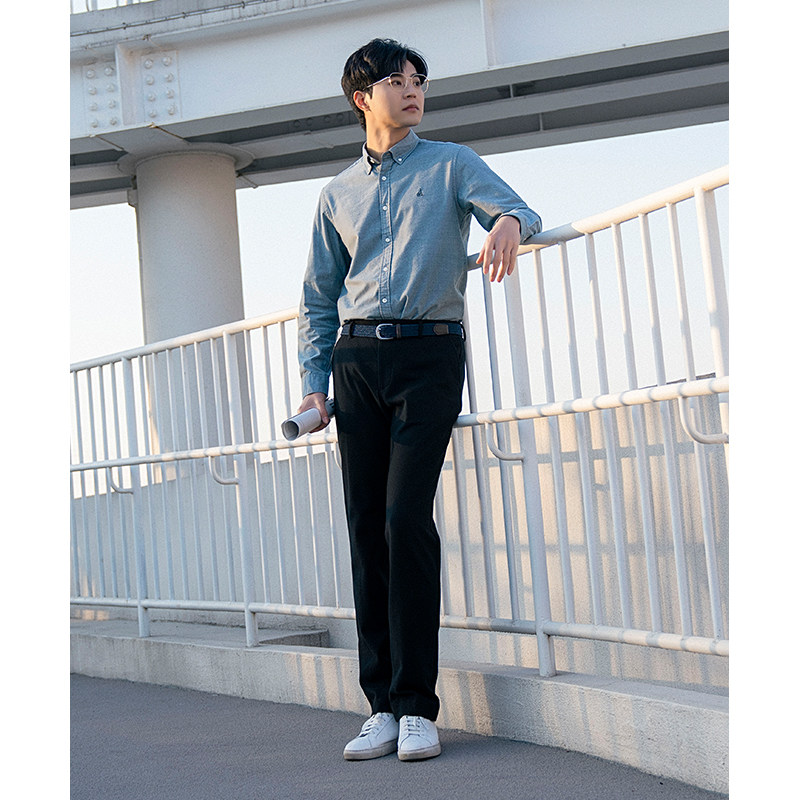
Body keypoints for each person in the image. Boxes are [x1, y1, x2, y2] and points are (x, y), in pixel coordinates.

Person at [295, 38, 541, 761]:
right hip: (356, 360)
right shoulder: (336, 193)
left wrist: (506, 221)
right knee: (366, 527)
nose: (413, 91)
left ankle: (416, 707)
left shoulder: (450, 163)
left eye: (419, 81)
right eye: (397, 81)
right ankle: (379, 705)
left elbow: (517, 209)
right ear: (362, 98)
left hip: (430, 353)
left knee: (406, 519)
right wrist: (315, 383)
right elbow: (318, 297)